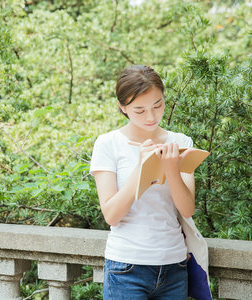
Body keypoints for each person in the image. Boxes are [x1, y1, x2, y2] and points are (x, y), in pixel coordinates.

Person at [90, 65, 195, 299]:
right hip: (126, 268)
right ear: (122, 107)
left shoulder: (180, 142)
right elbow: (111, 215)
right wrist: (142, 168)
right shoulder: (108, 144)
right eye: (140, 110)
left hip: (174, 265)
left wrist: (171, 169)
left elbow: (187, 209)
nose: (151, 117)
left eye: (158, 105)